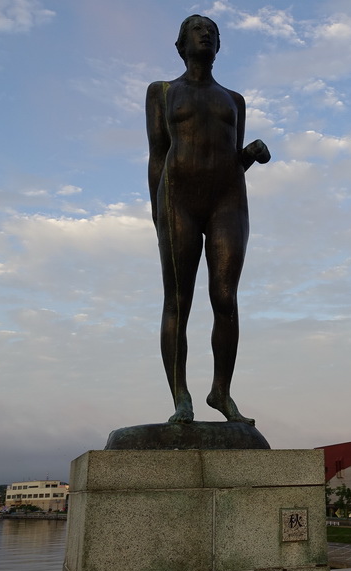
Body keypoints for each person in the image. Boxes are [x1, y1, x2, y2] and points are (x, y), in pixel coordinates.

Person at [146, 15, 270, 425]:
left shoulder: (234, 100)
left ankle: (221, 391)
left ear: (219, 46)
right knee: (178, 302)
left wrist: (249, 153)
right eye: (196, 29)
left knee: (225, 299)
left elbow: (230, 158)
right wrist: (157, 212)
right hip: (177, 199)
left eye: (212, 31)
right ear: (180, 45)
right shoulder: (162, 92)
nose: (205, 34)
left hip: (227, 201)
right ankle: (181, 396)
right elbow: (157, 156)